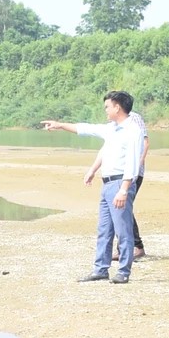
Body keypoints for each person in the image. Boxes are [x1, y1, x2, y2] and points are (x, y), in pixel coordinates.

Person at [41, 92, 144, 284]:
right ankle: (100, 269)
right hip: (107, 183)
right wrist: (61, 125)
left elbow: (133, 163)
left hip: (120, 183)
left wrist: (124, 189)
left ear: (117, 107)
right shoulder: (112, 129)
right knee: (104, 229)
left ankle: (123, 271)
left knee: (123, 230)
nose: (105, 110)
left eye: (107, 106)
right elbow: (86, 129)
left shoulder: (133, 131)